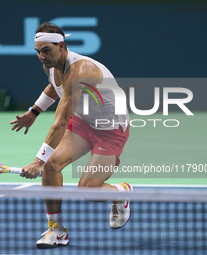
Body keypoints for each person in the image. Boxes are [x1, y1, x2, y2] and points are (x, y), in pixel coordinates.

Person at [10, 22, 132, 249]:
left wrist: (37, 160)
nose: (41, 56)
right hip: (83, 123)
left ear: (62, 46)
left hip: (111, 131)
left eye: (46, 50)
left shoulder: (81, 71)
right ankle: (56, 231)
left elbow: (61, 122)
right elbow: (54, 86)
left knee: (87, 191)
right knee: (51, 165)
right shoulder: (52, 64)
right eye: (37, 51)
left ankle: (121, 193)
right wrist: (34, 112)